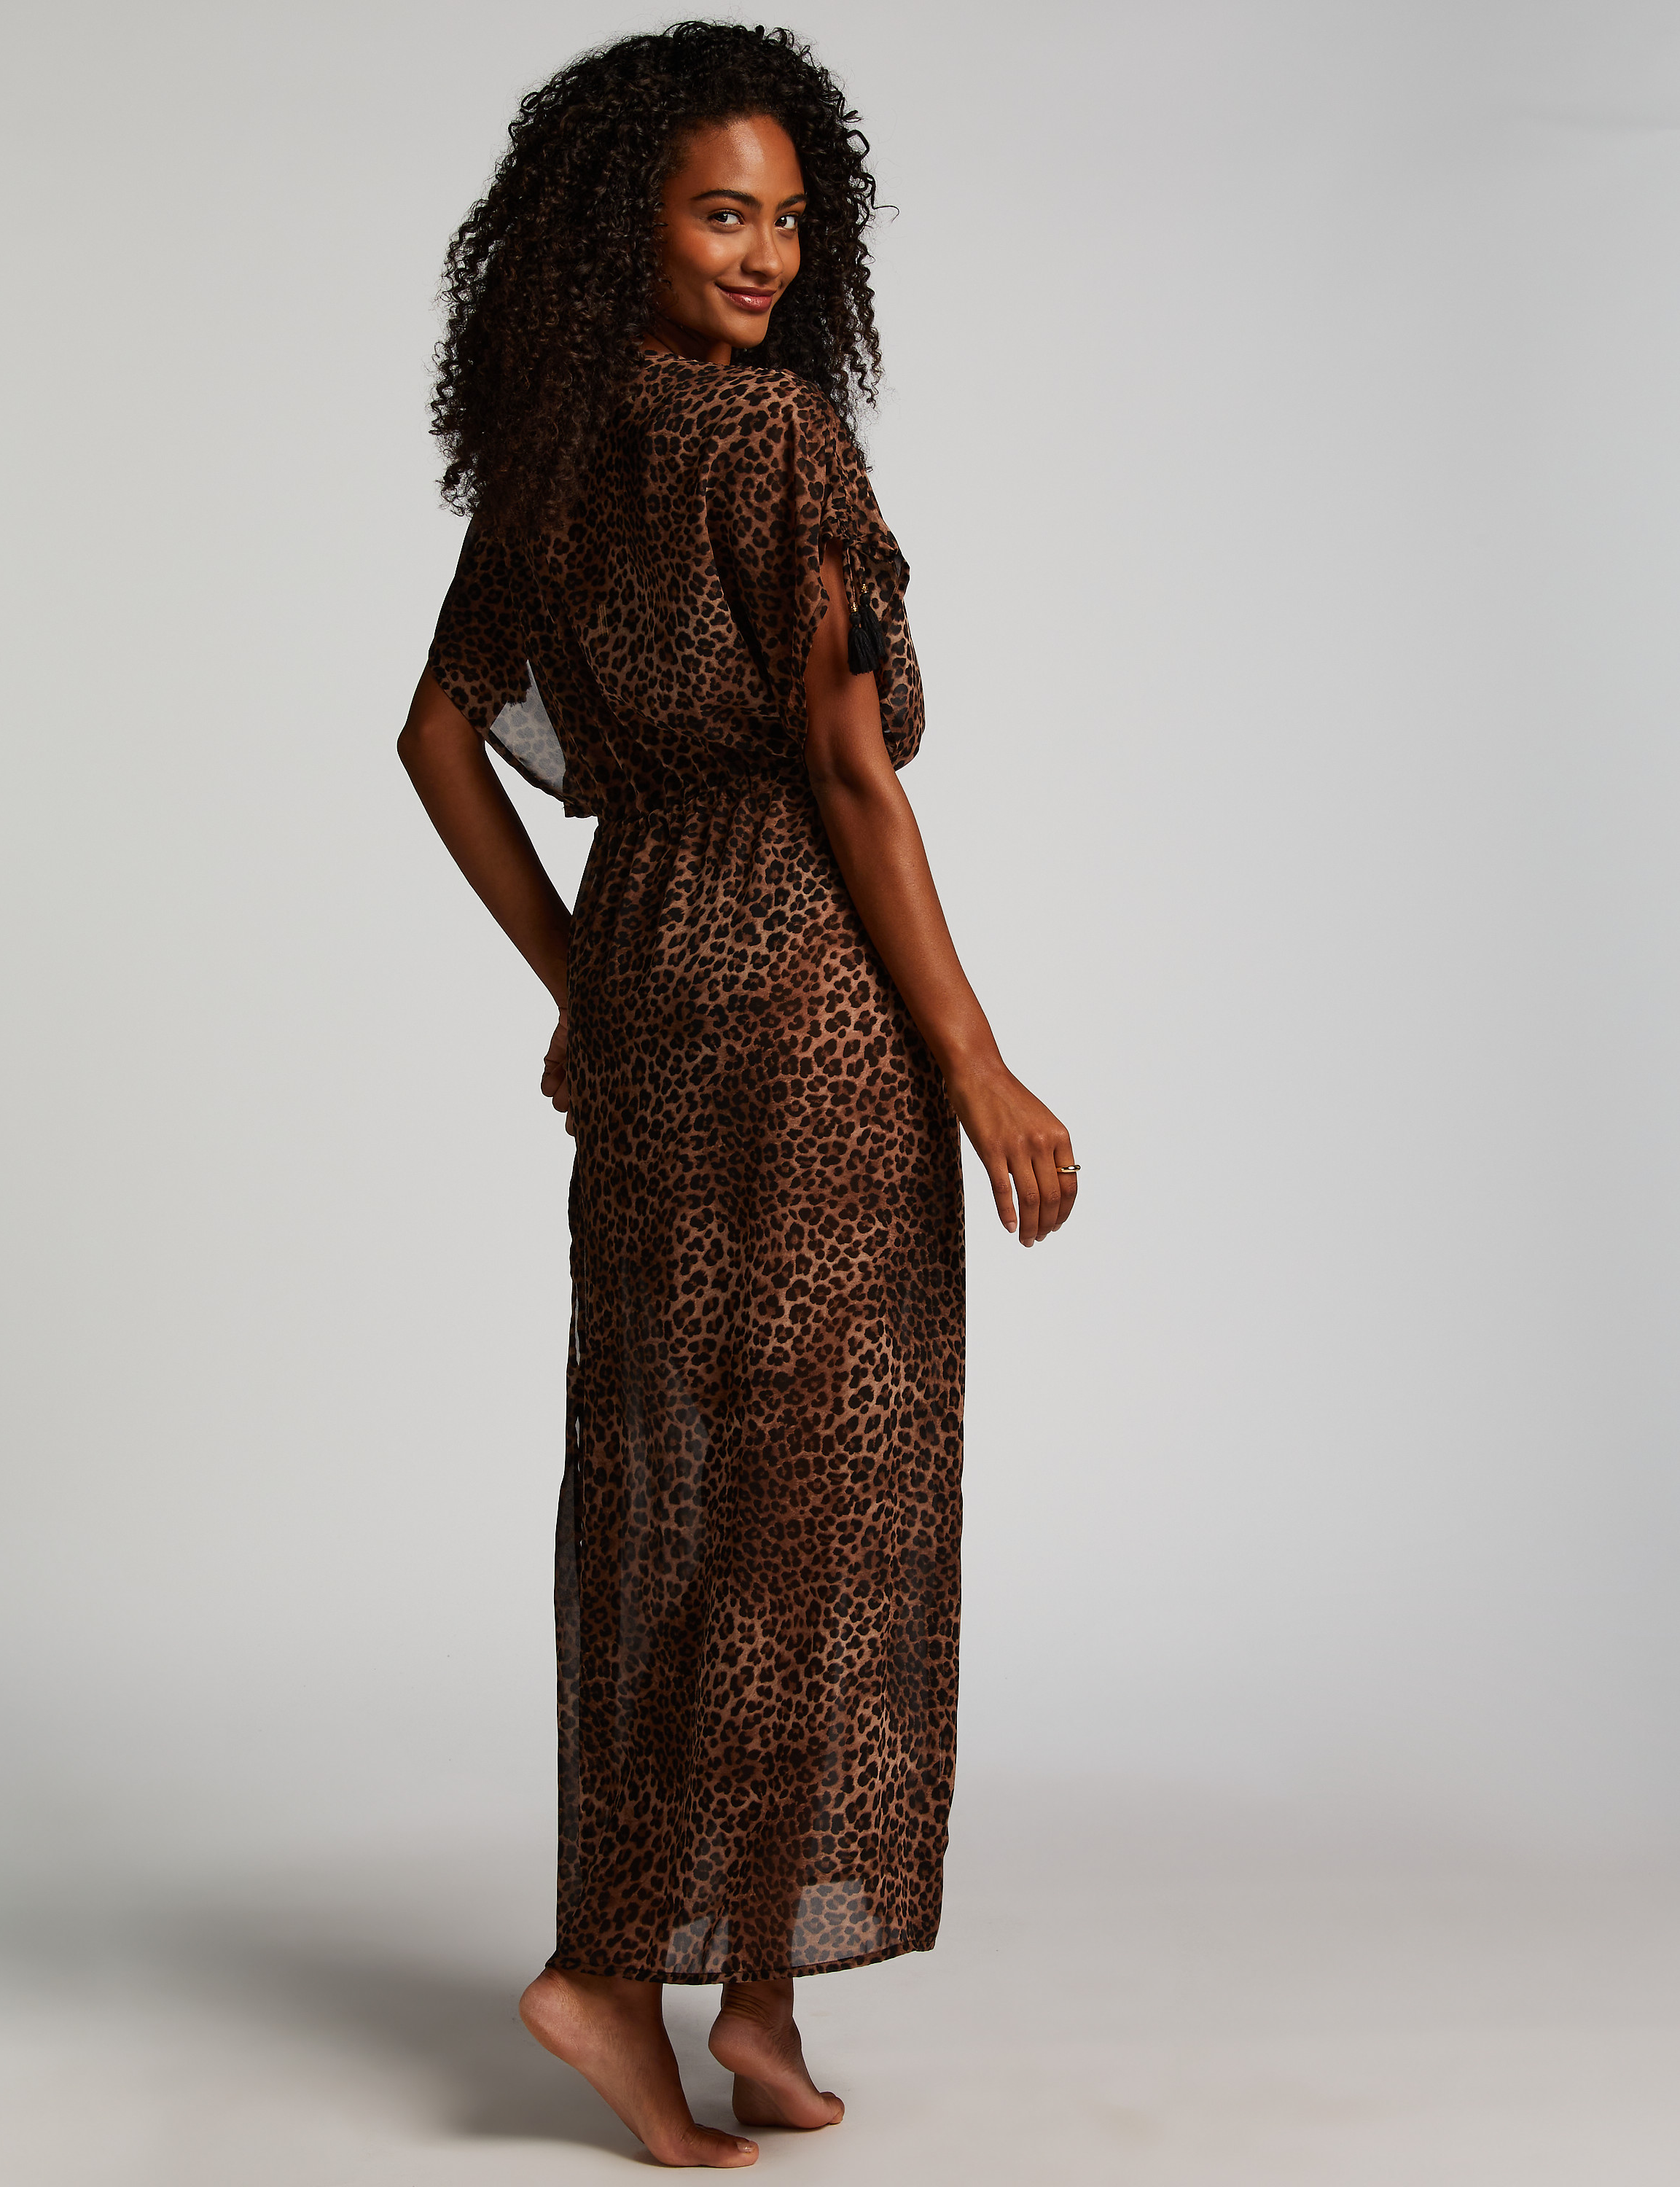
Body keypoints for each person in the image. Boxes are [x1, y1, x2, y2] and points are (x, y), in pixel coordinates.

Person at [397, 23, 1077, 2168]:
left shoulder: (556, 459)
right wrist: (975, 1059)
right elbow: (850, 772)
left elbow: (434, 736)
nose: (768, 255)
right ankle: (613, 1976)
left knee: (680, 1474)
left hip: (658, 985)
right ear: (631, 226)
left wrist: (587, 981)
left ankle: (755, 2000)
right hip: (802, 1000)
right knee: (811, 1498)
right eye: (722, 214)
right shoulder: (774, 439)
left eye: (788, 219)